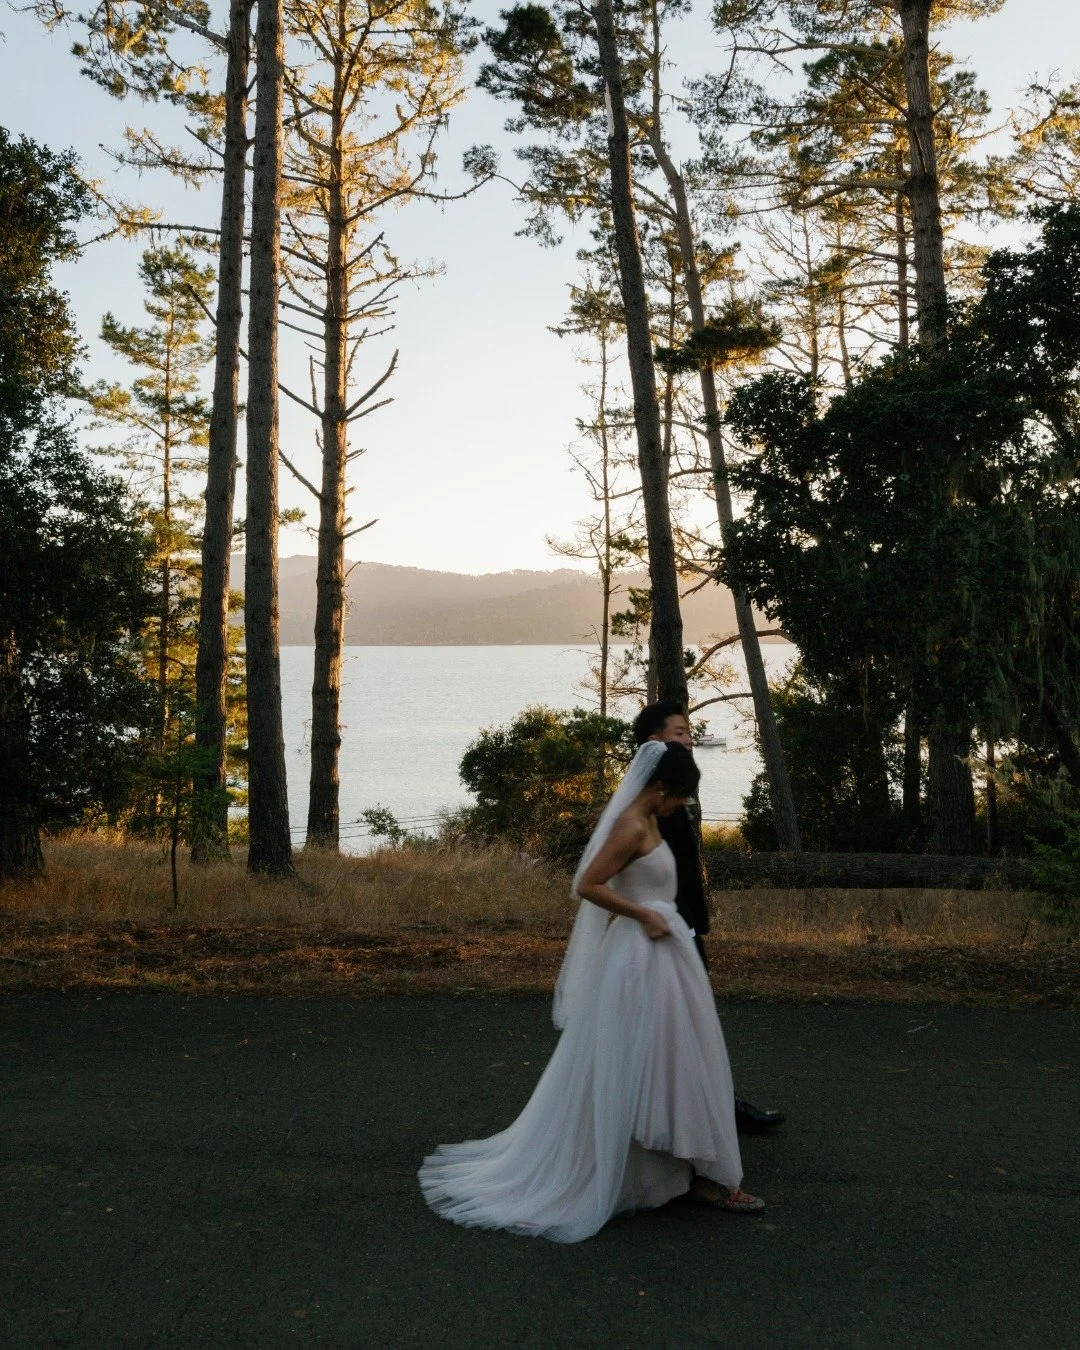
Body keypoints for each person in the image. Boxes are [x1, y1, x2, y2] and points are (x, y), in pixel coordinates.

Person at [418, 741, 764, 1243]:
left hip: (665, 956)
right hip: (639, 958)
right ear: (660, 787)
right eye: (679, 797)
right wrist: (643, 914)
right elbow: (588, 884)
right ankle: (642, 1171)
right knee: (639, 1058)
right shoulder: (630, 825)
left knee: (672, 1059)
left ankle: (677, 1170)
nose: (680, 806)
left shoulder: (651, 821)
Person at [632, 701, 786, 1134]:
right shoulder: (648, 804)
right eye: (679, 732)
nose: (688, 739)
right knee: (686, 1025)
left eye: (688, 732)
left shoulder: (668, 790)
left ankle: (705, 1106)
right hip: (665, 927)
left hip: (683, 924)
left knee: (693, 1023)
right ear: (654, 741)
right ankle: (709, 1109)